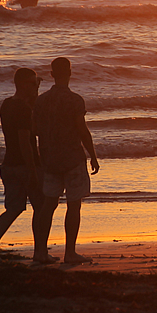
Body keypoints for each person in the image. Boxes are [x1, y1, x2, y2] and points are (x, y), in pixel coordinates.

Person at [34, 57, 100, 264]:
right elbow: (82, 130)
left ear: (52, 75)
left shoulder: (41, 100)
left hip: (50, 159)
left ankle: (40, 252)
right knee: (74, 205)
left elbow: (35, 130)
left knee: (48, 205)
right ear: (70, 73)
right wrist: (93, 155)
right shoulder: (75, 100)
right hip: (72, 157)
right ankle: (69, 253)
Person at [0, 68, 55, 264]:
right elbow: (25, 141)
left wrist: (34, 93)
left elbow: (31, 107)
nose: (36, 87)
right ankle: (40, 252)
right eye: (32, 84)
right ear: (23, 85)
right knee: (41, 208)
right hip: (26, 165)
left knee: (13, 209)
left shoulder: (7, 104)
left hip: (9, 164)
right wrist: (33, 170)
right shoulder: (23, 110)